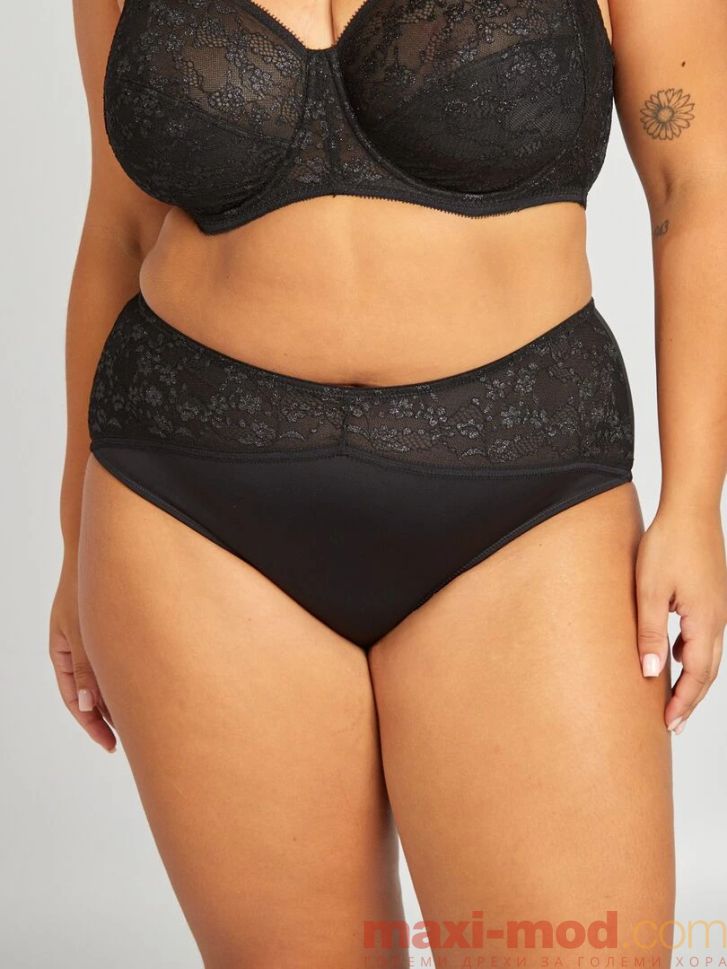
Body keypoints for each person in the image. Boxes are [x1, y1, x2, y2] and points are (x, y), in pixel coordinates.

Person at [50, 0, 727, 965]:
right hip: (189, 503)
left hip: (525, 496)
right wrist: (73, 534)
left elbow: (696, 188)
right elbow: (117, 229)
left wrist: (693, 501)